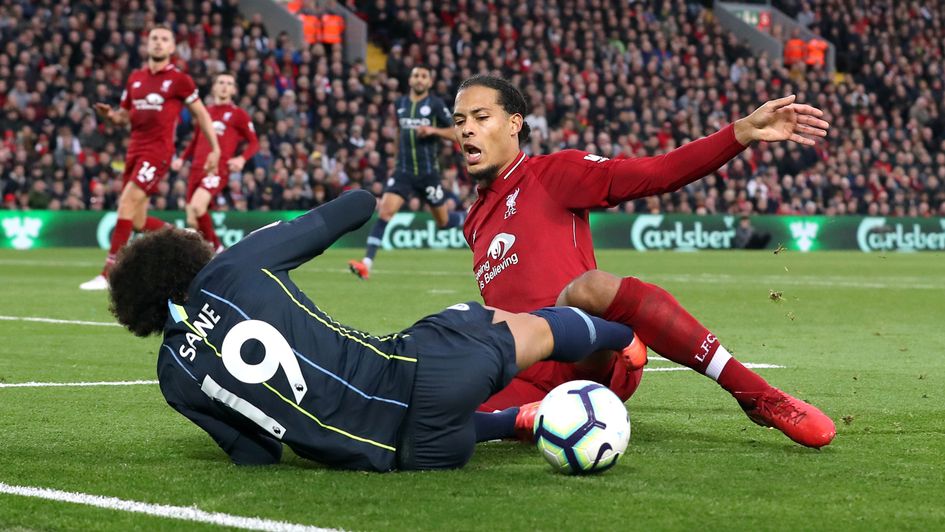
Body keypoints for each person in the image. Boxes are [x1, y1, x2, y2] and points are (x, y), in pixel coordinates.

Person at [107, 190, 637, 471]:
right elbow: (358, 205)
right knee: (523, 324)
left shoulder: (172, 377)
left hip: (411, 457)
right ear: (186, 256)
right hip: (426, 372)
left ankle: (507, 423)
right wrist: (275, 237)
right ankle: (625, 339)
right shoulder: (234, 267)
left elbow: (256, 454)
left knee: (382, 418)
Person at [453, 74, 836, 448]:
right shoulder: (473, 222)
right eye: (459, 121)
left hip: (588, 355)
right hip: (525, 376)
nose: (466, 129)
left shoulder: (552, 174)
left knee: (589, 289)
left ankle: (758, 395)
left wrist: (741, 131)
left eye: (480, 117)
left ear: (514, 124)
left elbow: (659, 173)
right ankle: (529, 417)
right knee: (435, 400)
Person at [80, 26, 220, 290]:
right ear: (147, 45)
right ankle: (184, 237)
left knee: (126, 202)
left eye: (164, 39)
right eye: (154, 38)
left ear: (171, 48)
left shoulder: (179, 79)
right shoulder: (135, 78)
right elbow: (124, 116)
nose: (158, 43)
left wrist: (215, 148)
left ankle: (109, 274)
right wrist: (110, 116)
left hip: (158, 150)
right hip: (134, 149)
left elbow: (202, 114)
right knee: (137, 221)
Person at [348, 64, 463, 280]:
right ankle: (366, 264)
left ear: (429, 82)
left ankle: (467, 217)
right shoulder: (400, 103)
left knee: (443, 223)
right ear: (410, 81)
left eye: (424, 76)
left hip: (429, 173)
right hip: (404, 172)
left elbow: (457, 133)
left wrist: (433, 130)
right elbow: (399, 133)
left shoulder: (436, 105)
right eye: (416, 76)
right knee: (385, 213)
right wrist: (395, 160)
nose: (419, 79)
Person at [171, 72, 259, 252]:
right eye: (221, 82)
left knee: (197, 206)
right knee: (192, 220)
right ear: (214, 87)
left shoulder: (238, 114)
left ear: (234, 90)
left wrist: (241, 158)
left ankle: (217, 251)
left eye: (229, 83)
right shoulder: (205, 112)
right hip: (196, 168)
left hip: (217, 169)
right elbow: (196, 139)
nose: (224, 86)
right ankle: (211, 253)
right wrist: (181, 158)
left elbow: (254, 142)